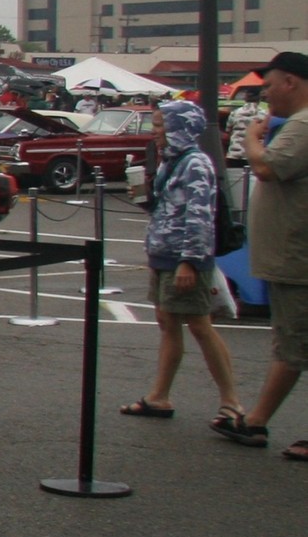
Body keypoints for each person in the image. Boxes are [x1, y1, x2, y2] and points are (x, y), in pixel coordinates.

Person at [120, 100, 243, 428]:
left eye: (160, 126)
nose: (155, 132)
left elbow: (201, 216)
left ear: (179, 128)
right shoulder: (168, 163)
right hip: (164, 255)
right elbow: (168, 209)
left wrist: (190, 261)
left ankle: (232, 402)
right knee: (168, 321)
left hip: (183, 258)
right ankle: (159, 396)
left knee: (200, 325)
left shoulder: (195, 164)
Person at [215, 51, 308, 456]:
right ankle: (255, 421)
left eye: (269, 85)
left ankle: (255, 422)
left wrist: (252, 137)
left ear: (291, 81)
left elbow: (269, 167)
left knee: (293, 345)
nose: (265, 94)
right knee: (291, 345)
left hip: (296, 256)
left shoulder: (303, 124)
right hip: (291, 254)